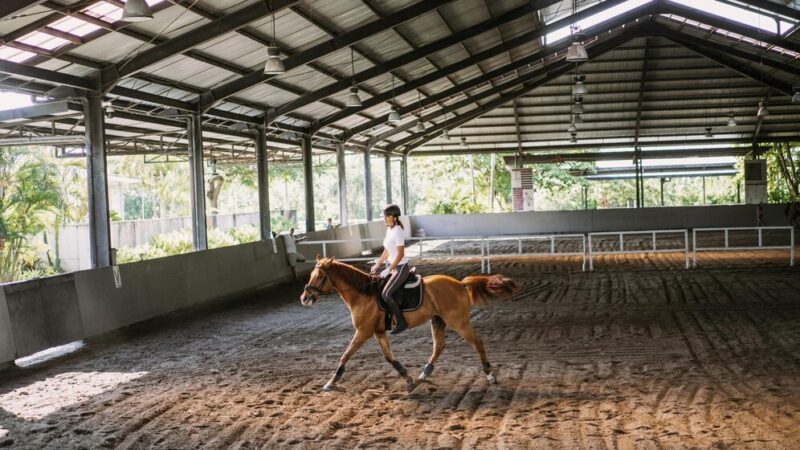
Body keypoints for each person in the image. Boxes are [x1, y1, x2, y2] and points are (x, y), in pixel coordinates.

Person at [370, 204, 409, 334]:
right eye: (384, 216)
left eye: (387, 216)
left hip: (401, 268)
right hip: (393, 268)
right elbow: (387, 251)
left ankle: (401, 322)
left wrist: (389, 269)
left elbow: (400, 254)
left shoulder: (398, 231)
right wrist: (378, 264)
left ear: (395, 217)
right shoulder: (389, 230)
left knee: (386, 294)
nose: (385, 219)